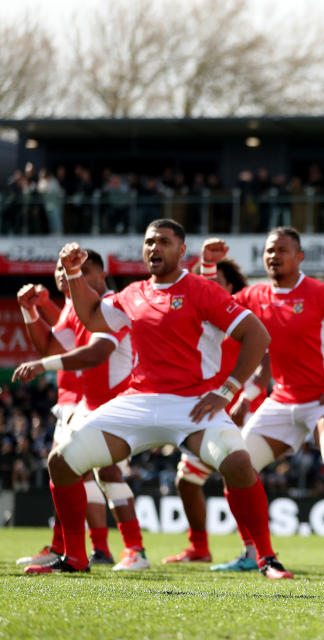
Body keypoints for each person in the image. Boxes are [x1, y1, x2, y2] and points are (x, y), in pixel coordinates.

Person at [26, 219, 290, 578]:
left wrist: (225, 391)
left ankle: (267, 559)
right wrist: (73, 272)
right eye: (150, 242)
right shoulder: (133, 293)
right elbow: (89, 315)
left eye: (164, 242)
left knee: (240, 464)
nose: (155, 248)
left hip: (193, 404)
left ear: (182, 251)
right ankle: (75, 557)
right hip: (139, 401)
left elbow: (257, 335)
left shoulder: (202, 289)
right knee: (62, 461)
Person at [204, 228, 324, 574]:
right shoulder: (255, 295)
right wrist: (210, 268)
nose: (274, 256)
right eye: (269, 251)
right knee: (235, 466)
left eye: (282, 250)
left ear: (299, 257)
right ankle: (249, 552)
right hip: (281, 402)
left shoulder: (321, 293)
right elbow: (213, 306)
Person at [14, 252, 145, 571]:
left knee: (97, 472)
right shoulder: (74, 308)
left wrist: (42, 363)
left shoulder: (112, 305)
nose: (68, 273)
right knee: (69, 470)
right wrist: (31, 310)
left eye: (82, 269)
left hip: (117, 402)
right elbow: (53, 347)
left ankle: (130, 550)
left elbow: (93, 355)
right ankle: (74, 548)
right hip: (87, 404)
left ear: (102, 276)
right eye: (62, 268)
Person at [163, 256, 269, 569]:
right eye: (200, 278)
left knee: (236, 474)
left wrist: (244, 398)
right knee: (186, 481)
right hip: (206, 409)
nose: (206, 284)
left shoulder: (238, 316)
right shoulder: (193, 317)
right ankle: (199, 547)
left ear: (231, 286)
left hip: (242, 409)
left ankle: (255, 553)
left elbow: (265, 365)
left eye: (215, 279)